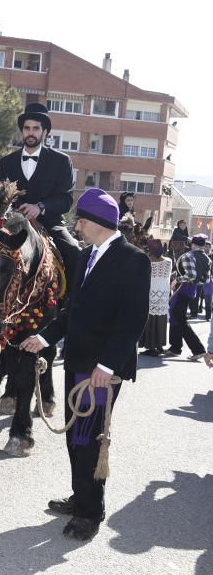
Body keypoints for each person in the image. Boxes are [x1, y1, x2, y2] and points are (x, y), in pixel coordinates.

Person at [20, 188, 149, 541]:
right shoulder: (87, 256)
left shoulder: (133, 259)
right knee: (76, 438)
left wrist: (106, 366)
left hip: (102, 370)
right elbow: (71, 311)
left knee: (90, 439)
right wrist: (44, 338)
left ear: (96, 223)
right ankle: (83, 496)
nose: (77, 226)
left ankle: (89, 513)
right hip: (77, 362)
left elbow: (132, 319)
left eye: (81, 221)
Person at [0, 102, 79, 291]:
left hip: (51, 223)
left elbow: (66, 200)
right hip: (12, 225)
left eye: (35, 128)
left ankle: (71, 308)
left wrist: (40, 206)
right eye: (26, 128)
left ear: (45, 132)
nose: (30, 132)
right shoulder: (6, 162)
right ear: (22, 131)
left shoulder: (62, 161)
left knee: (74, 252)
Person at [166, 234, 209, 361]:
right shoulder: (207, 258)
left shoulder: (189, 256)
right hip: (192, 290)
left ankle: (198, 349)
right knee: (175, 315)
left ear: (193, 244)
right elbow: (205, 279)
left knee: (179, 317)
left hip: (182, 288)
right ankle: (175, 347)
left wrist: (176, 280)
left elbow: (191, 275)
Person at [139, 239, 172, 356]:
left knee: (150, 320)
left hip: (150, 292)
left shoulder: (147, 261)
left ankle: (151, 347)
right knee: (161, 320)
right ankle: (160, 346)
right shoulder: (168, 261)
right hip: (163, 293)